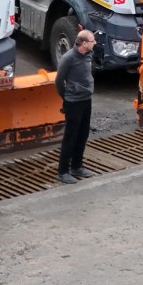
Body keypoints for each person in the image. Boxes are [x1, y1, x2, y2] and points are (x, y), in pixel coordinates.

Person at [55, 29, 97, 183]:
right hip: (73, 102)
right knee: (71, 136)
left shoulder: (88, 54)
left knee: (83, 133)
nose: (95, 43)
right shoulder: (68, 58)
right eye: (93, 41)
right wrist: (66, 97)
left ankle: (77, 166)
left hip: (87, 99)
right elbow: (59, 81)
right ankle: (63, 171)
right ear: (84, 43)